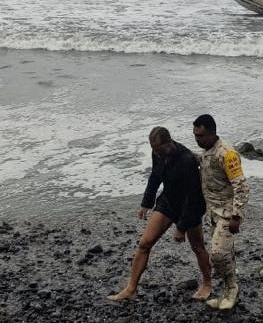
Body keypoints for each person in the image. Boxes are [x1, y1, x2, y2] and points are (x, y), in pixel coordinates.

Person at [107, 126, 212, 302]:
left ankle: (207, 284)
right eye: (154, 149)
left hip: (190, 206)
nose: (157, 153)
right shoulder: (157, 153)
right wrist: (146, 203)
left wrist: (181, 227)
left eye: (159, 149)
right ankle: (130, 289)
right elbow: (155, 176)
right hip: (168, 202)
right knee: (144, 243)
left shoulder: (187, 160)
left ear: (169, 143)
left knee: (198, 247)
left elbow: (193, 196)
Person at [192, 114, 251, 310]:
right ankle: (228, 290)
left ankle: (232, 289)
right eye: (194, 136)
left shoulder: (227, 154)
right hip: (213, 212)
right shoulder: (207, 151)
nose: (197, 140)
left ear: (211, 133)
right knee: (226, 254)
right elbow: (202, 159)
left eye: (200, 136)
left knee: (217, 255)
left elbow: (241, 186)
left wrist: (237, 216)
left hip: (227, 213)